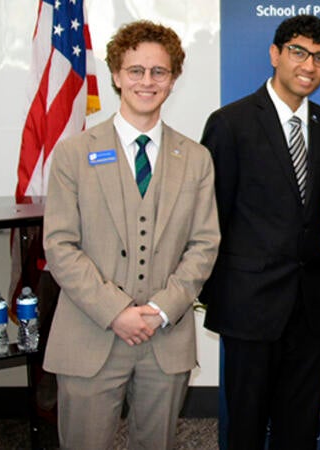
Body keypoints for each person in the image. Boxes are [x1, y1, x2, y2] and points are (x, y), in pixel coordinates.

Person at [41, 21, 220, 449]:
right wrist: (116, 310)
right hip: (89, 334)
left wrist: (161, 309)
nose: (147, 81)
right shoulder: (73, 153)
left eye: (159, 72)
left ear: (173, 80)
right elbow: (60, 246)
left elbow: (204, 244)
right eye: (135, 70)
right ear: (116, 76)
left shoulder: (196, 158)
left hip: (165, 337)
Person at [199, 14, 320, 449]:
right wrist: (216, 294)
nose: (309, 65)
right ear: (275, 54)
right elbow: (210, 216)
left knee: (299, 428)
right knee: (246, 425)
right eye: (299, 52)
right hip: (250, 306)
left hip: (311, 307)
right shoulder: (230, 122)